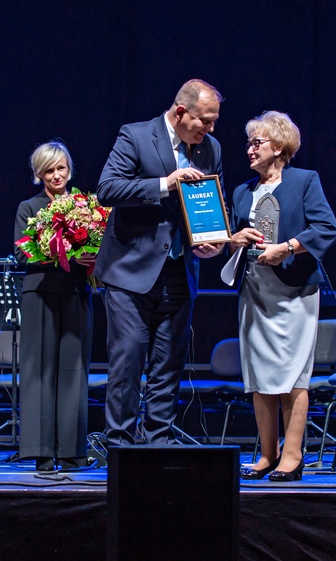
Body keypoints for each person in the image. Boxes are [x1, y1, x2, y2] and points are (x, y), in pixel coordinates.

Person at [95, 79, 225, 445]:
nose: (211, 129)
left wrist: (215, 242)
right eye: (205, 121)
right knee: (128, 359)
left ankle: (158, 441)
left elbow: (218, 202)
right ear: (181, 112)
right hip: (130, 271)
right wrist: (164, 184)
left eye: (214, 122)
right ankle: (119, 443)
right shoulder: (136, 136)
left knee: (169, 364)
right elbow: (107, 190)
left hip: (180, 272)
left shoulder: (210, 148)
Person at [229, 110, 336, 481]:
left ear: (278, 146)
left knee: (293, 376)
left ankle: (292, 456)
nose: (249, 149)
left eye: (256, 143)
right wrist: (232, 240)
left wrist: (288, 247)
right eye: (249, 143)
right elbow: (231, 237)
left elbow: (326, 227)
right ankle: (266, 455)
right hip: (255, 290)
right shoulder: (242, 191)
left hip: (295, 292)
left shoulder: (305, 181)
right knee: (260, 376)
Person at [14, 140, 93, 471]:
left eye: (61, 167)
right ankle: (43, 452)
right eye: (49, 170)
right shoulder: (29, 208)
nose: (57, 174)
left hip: (75, 292)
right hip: (40, 293)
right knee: (40, 370)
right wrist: (56, 251)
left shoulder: (84, 206)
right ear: (38, 174)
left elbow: (97, 245)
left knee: (74, 372)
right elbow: (22, 253)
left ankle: (72, 451)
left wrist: (91, 257)